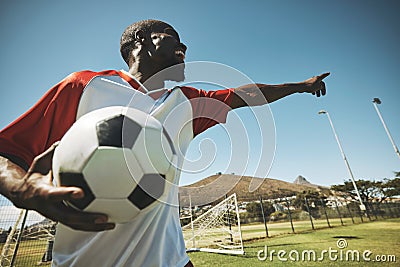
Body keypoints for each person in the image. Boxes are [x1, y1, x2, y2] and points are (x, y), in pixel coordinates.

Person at [0, 19, 329, 266]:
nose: (184, 47)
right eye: (173, 37)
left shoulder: (185, 103)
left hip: (172, 260)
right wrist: (20, 188)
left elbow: (245, 95)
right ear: (142, 40)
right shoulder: (85, 86)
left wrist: (300, 85)